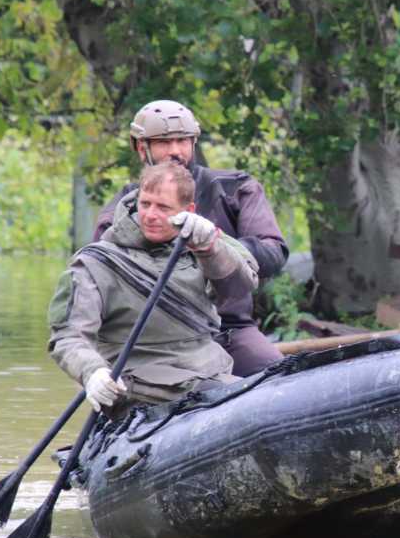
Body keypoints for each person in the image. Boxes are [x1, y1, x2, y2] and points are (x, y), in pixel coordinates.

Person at [94, 100, 289, 376]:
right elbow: (98, 286)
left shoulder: (237, 189)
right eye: (164, 142)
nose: (175, 151)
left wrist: (215, 244)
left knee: (278, 378)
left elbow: (274, 254)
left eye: (183, 141)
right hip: (156, 343)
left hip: (231, 331)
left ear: (193, 143)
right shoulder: (120, 213)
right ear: (141, 148)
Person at [51, 162, 259, 412]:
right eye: (145, 203)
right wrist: (92, 372)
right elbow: (68, 336)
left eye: (163, 207)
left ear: (189, 209)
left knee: (267, 395)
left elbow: (239, 289)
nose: (150, 215)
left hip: (210, 373)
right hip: (137, 385)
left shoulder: (205, 241)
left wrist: (209, 249)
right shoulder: (95, 262)